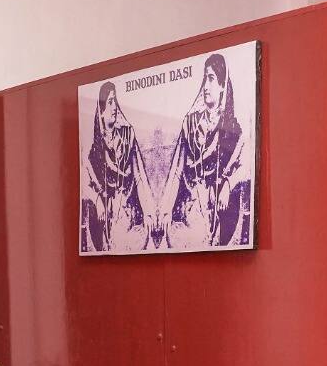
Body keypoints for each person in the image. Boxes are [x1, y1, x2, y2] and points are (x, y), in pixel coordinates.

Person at [154, 53, 252, 249]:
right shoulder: (190, 123)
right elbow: (176, 170)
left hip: (220, 210)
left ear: (222, 85)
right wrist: (165, 207)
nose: (206, 86)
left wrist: (228, 183)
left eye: (211, 79)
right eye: (205, 79)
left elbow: (246, 166)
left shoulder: (233, 129)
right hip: (192, 210)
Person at [80, 81, 154, 253]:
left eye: (115, 101)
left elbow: (139, 175)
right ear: (101, 110)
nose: (114, 107)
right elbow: (85, 184)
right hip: (105, 217)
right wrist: (98, 200)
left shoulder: (127, 135)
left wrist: (148, 211)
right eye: (110, 102)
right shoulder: (94, 149)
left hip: (127, 214)